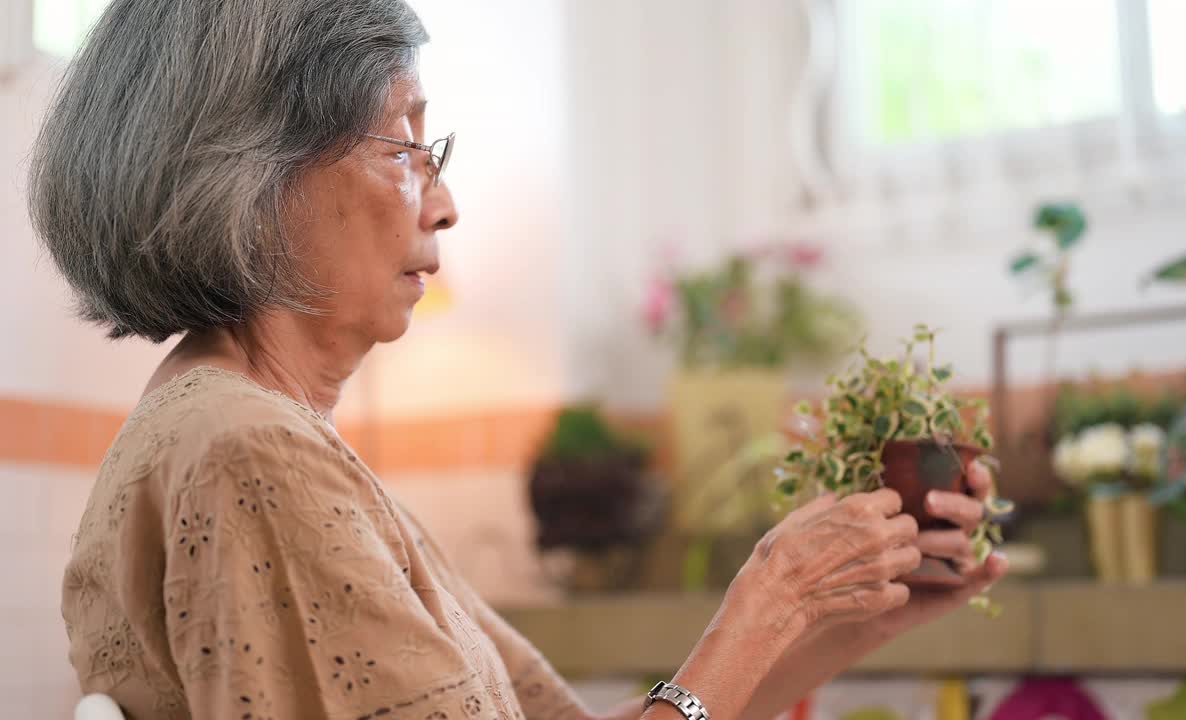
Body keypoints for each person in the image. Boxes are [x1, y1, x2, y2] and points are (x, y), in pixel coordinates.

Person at [27, 1, 1007, 718]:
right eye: (402, 145)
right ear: (250, 175)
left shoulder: (239, 436)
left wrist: (834, 621)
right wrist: (764, 601)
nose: (443, 203)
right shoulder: (249, 455)